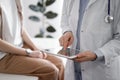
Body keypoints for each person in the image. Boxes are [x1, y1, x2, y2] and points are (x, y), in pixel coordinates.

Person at [0, 0, 64, 80]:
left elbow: (21, 29)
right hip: (4, 56)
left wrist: (35, 48)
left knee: (59, 64)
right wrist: (28, 52)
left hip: (20, 47)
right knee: (50, 70)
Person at [59, 0, 120, 80]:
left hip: (101, 70)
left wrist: (97, 54)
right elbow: (65, 19)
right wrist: (67, 32)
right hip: (74, 70)